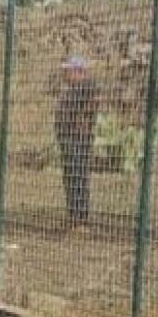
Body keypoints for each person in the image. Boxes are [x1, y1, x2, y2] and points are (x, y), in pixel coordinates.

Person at [55, 56, 101, 228]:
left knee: (78, 176)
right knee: (71, 176)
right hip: (69, 138)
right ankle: (74, 215)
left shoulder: (86, 86)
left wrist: (79, 122)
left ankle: (79, 216)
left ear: (78, 71)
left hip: (78, 139)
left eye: (67, 71)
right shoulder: (74, 88)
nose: (64, 75)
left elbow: (92, 105)